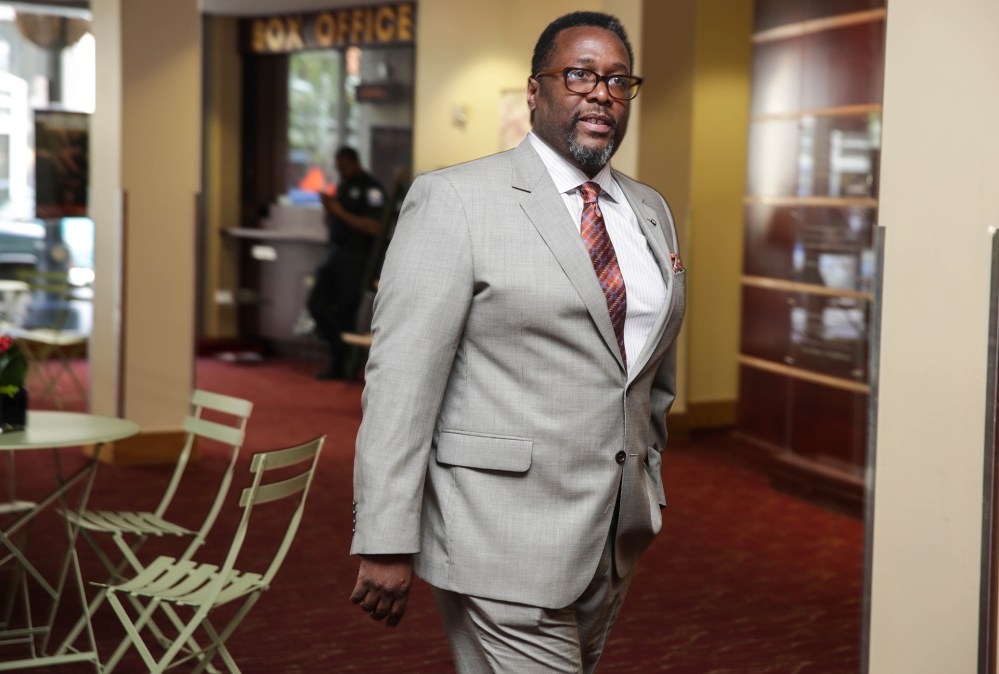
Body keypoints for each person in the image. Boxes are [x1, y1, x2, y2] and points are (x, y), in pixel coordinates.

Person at [349, 10, 686, 672]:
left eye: (618, 80)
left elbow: (649, 374)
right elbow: (402, 379)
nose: (600, 93)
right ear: (535, 92)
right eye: (579, 74)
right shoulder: (456, 200)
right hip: (496, 531)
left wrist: (647, 479)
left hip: (613, 532)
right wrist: (385, 535)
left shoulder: (649, 211)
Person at [307, 147, 385, 380]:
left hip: (356, 257)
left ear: (352, 162)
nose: (340, 171)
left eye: (342, 166)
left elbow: (375, 227)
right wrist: (330, 212)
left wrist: (339, 211)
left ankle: (343, 364)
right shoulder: (343, 186)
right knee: (317, 304)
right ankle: (339, 353)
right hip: (334, 252)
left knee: (346, 311)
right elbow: (337, 220)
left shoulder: (371, 189)